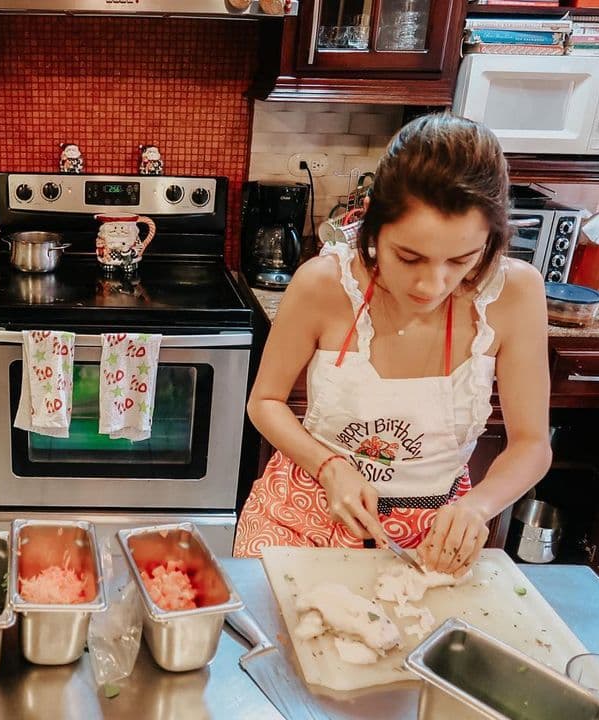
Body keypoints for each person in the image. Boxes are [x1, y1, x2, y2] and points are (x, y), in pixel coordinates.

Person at [234, 113, 552, 576]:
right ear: (373, 228)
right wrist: (328, 467)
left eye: (461, 259)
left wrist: (477, 507)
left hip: (434, 538)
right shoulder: (323, 284)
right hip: (302, 516)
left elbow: (532, 444)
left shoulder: (514, 294)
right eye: (409, 256)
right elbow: (264, 402)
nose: (432, 284)